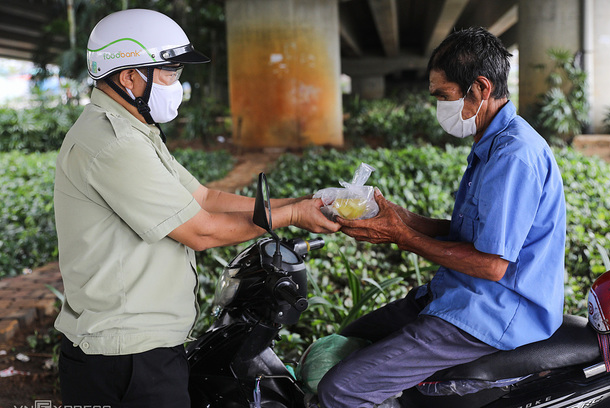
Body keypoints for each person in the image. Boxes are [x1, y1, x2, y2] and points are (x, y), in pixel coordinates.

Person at [53, 9, 339, 408]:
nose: (178, 83)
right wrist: (292, 217)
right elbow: (201, 230)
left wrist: (297, 203)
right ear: (129, 76)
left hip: (140, 346)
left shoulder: (135, 129)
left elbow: (204, 198)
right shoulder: (114, 143)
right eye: (170, 71)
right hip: (125, 359)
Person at [317, 27, 567, 408]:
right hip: (460, 292)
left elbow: (493, 264)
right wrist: (402, 217)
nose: (439, 107)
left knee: (341, 389)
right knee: (352, 337)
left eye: (443, 96)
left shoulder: (513, 156)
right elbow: (472, 233)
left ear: (479, 89)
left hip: (494, 312)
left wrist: (401, 235)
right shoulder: (492, 142)